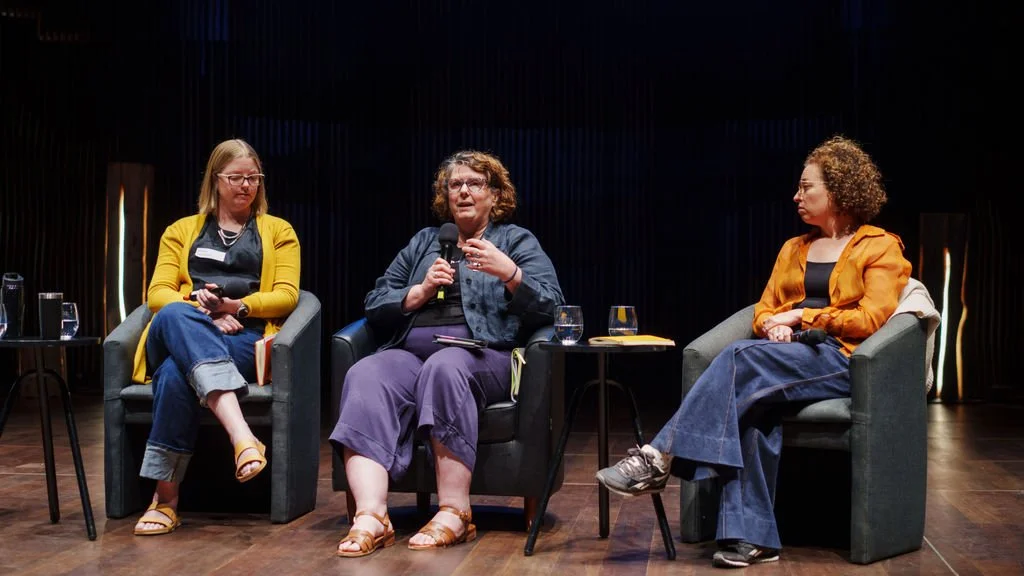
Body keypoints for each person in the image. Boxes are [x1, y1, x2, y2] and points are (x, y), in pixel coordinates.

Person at [595, 135, 912, 568]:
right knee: (750, 412)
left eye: (807, 187)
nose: (796, 195)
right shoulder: (794, 248)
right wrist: (771, 325)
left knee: (739, 357)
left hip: (840, 357)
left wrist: (802, 318)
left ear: (838, 191)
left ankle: (658, 455)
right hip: (785, 357)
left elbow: (872, 318)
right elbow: (764, 308)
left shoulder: (880, 246)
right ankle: (753, 539)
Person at [331, 150, 563, 557]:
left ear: (495, 195)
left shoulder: (515, 240)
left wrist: (509, 273)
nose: (464, 192)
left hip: (482, 356)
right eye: (455, 184)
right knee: (366, 373)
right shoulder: (425, 241)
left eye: (475, 184)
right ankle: (371, 516)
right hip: (411, 354)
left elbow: (553, 306)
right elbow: (375, 300)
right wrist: (417, 292)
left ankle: (456, 512)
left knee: (445, 365)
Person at [130, 138, 301, 536]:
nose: (246, 186)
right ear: (215, 180)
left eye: (253, 178)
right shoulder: (181, 230)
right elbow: (158, 294)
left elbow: (287, 295)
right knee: (173, 311)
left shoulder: (279, 231)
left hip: (242, 335)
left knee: (175, 374)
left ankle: (165, 499)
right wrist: (203, 311)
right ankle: (242, 435)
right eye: (236, 177)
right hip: (180, 327)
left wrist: (235, 307)